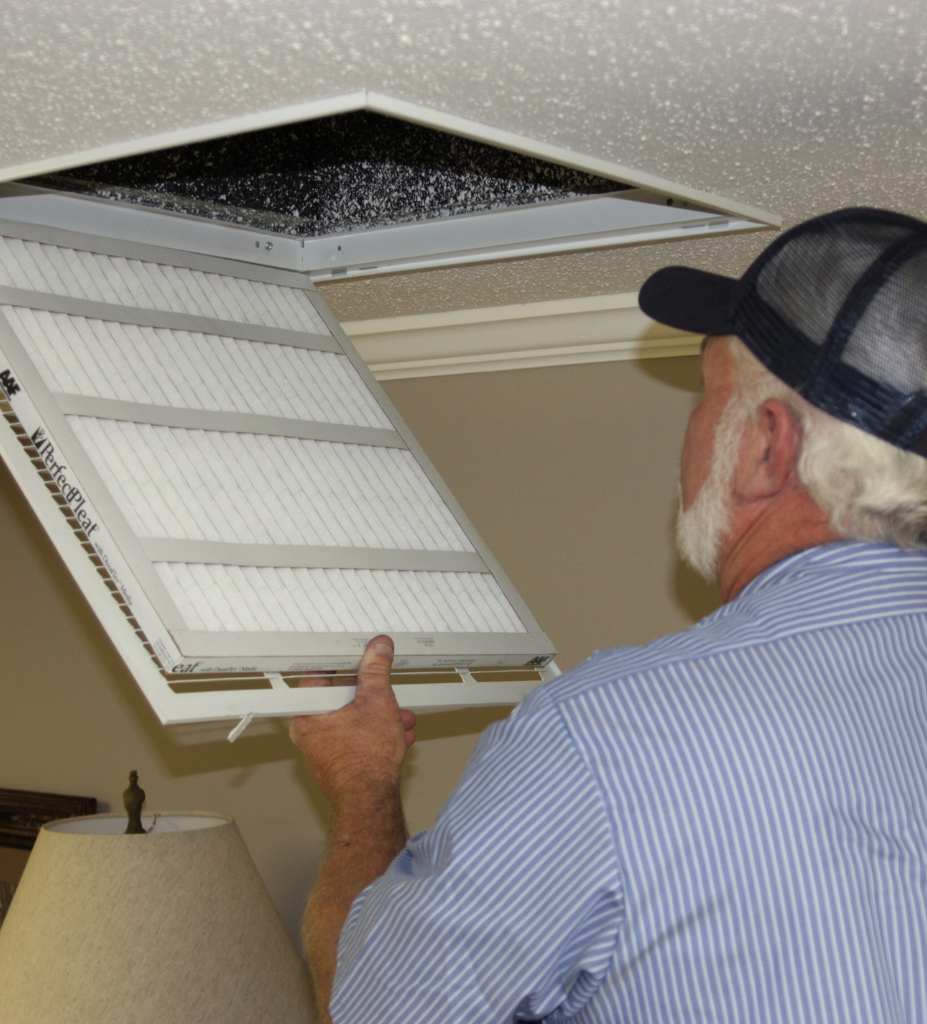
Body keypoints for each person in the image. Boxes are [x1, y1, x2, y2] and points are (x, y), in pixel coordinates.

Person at [291, 207, 927, 1024]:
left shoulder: (606, 736)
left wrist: (361, 785)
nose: (692, 435)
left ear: (767, 447)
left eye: (708, 397)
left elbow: (372, 1010)